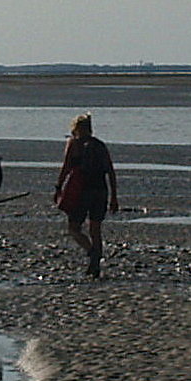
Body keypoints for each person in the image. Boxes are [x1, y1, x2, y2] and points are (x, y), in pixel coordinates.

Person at [52, 113, 119, 278]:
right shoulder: (100, 145)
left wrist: (58, 187)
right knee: (95, 229)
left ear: (75, 128)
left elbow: (66, 167)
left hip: (81, 191)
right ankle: (95, 266)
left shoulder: (74, 144)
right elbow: (110, 171)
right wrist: (114, 197)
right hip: (101, 190)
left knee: (74, 228)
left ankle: (91, 252)